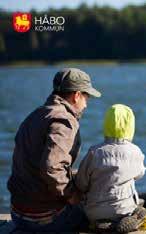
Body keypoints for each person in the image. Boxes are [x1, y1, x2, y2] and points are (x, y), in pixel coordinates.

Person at [7, 68, 101, 232]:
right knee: (96, 212)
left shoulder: (36, 115)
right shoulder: (63, 121)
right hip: (43, 219)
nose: (86, 103)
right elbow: (52, 168)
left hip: (18, 213)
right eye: (86, 97)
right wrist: (72, 196)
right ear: (76, 95)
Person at [75, 104, 146, 233]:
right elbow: (140, 174)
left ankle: (102, 223)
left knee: (90, 207)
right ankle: (134, 219)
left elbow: (81, 183)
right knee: (140, 210)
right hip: (123, 209)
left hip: (93, 212)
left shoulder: (94, 152)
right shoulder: (135, 151)